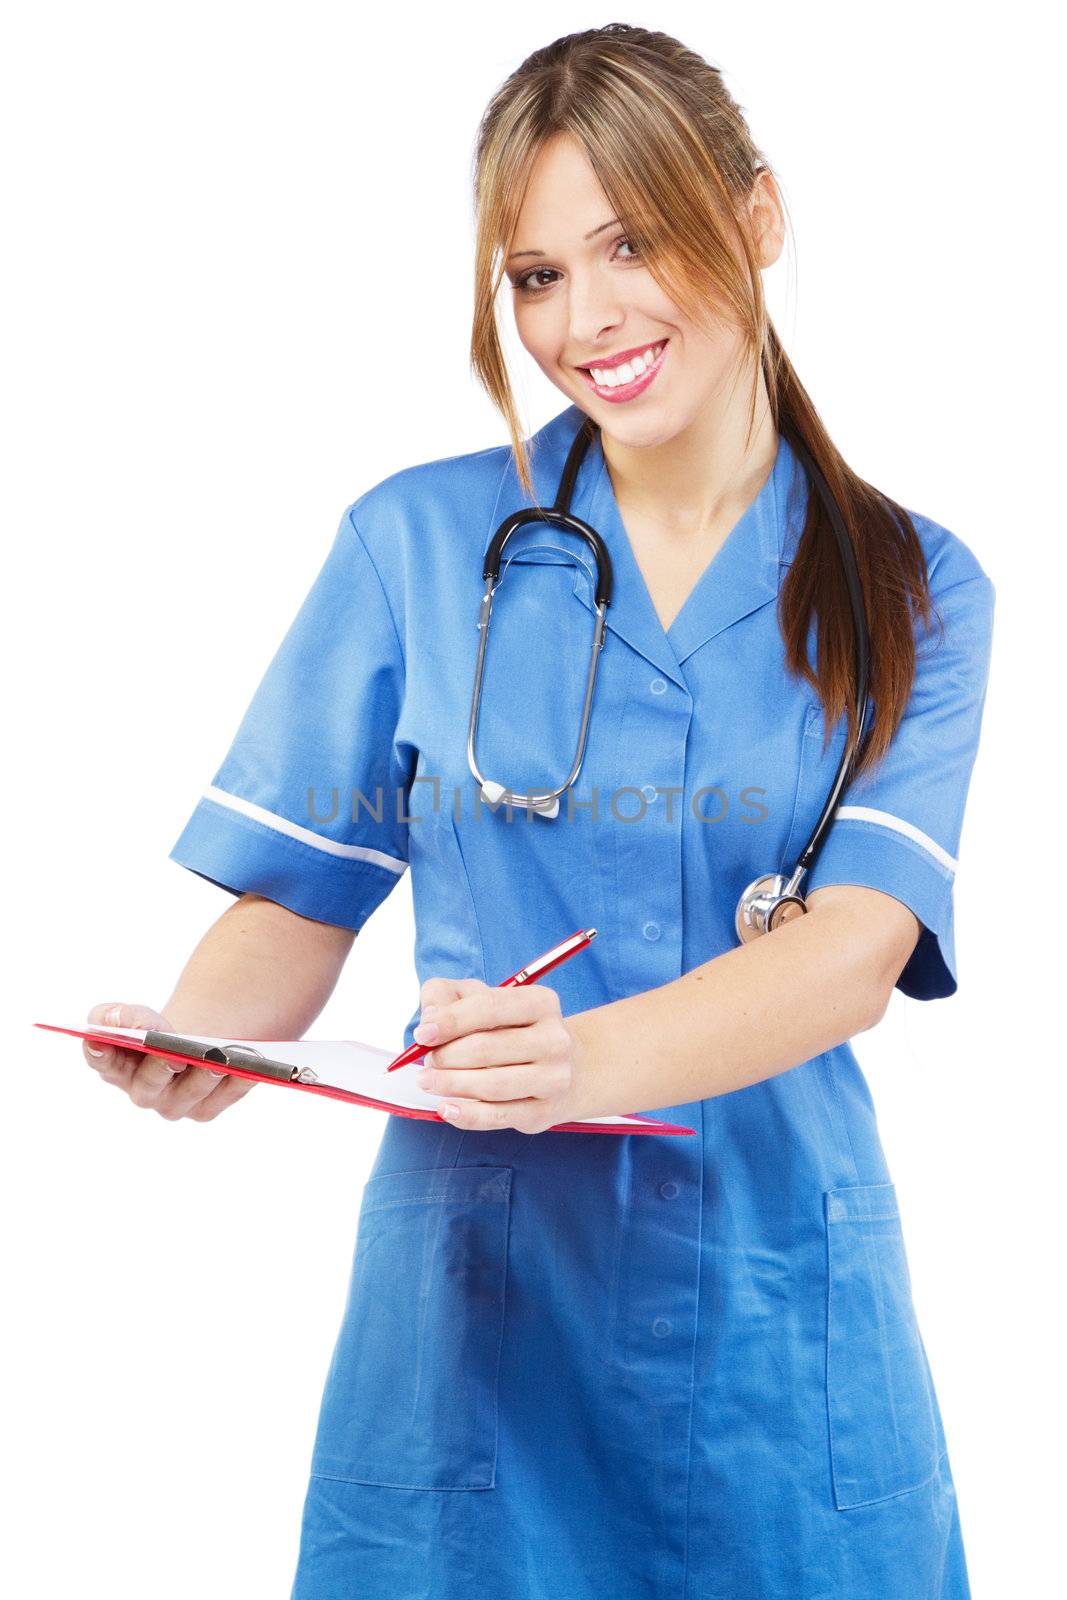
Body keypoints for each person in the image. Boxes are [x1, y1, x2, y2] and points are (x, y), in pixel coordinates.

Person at [83, 24, 995, 1600]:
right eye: (535, 275)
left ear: (759, 219)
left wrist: (583, 1060)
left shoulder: (912, 586)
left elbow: (855, 950)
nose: (588, 319)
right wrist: (198, 1041)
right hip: (473, 1328)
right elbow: (297, 900)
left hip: (781, 1322)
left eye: (631, 242)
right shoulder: (416, 546)